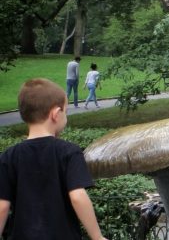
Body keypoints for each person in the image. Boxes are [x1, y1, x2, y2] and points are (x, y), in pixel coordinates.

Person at [0, 78, 108, 240]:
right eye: (66, 111)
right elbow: (78, 196)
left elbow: (2, 206)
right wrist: (97, 237)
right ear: (56, 114)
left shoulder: (9, 156)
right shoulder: (69, 152)